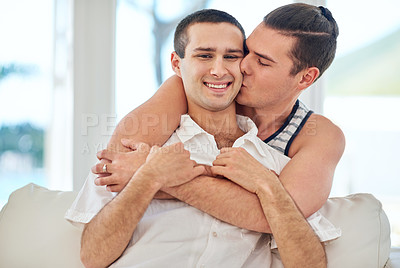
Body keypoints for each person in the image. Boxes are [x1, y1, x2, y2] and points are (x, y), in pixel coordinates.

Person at [66, 9, 338, 268]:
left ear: (306, 78)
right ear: (177, 64)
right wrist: (151, 174)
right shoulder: (185, 92)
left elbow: (274, 217)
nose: (242, 66)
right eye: (247, 52)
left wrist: (155, 175)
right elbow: (118, 166)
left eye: (262, 61)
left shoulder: (299, 149)